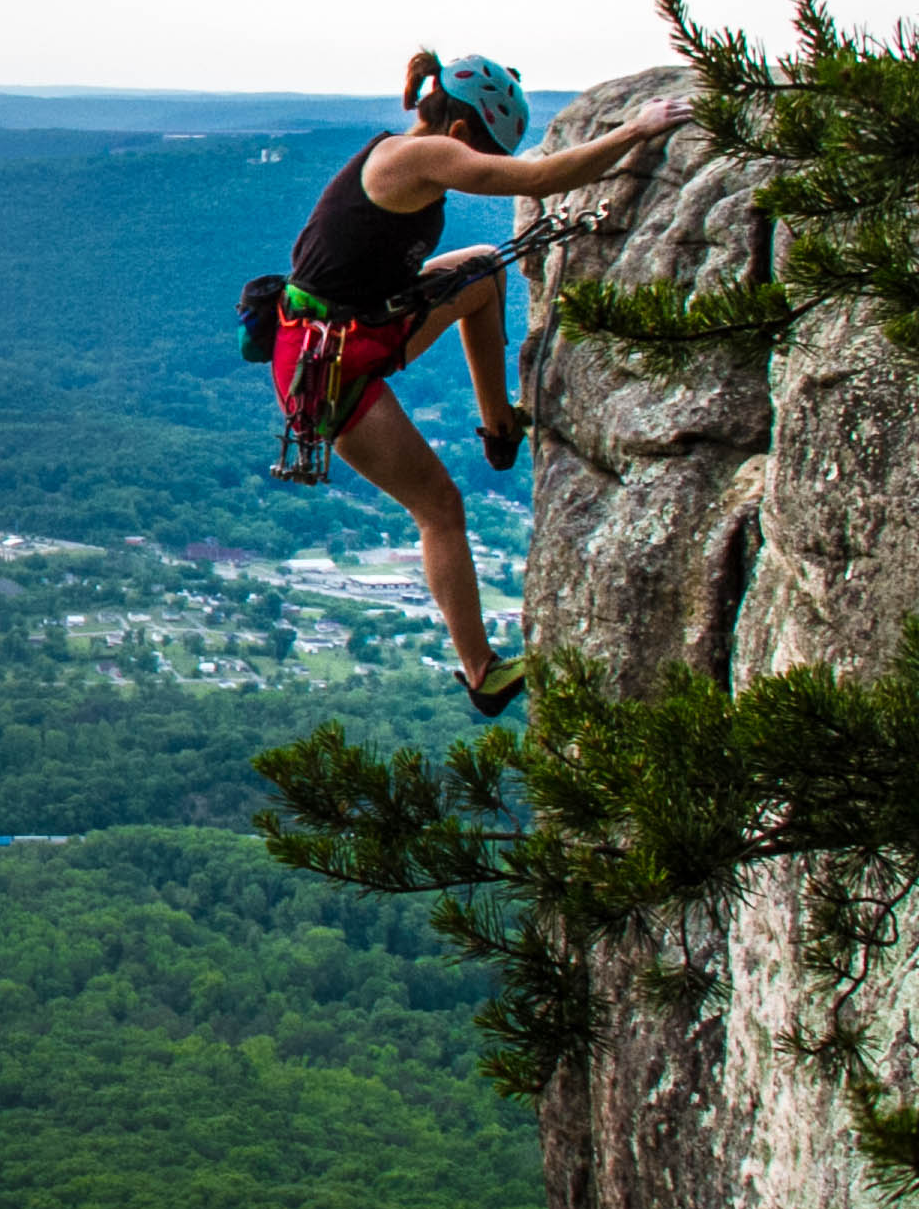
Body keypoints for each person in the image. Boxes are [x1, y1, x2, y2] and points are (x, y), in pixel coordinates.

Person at [276, 51, 688, 716]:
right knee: (440, 507)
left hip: (360, 324)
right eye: (484, 149)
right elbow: (539, 178)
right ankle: (480, 671)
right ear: (464, 132)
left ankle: (500, 428)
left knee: (481, 271)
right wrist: (637, 130)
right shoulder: (419, 158)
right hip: (330, 365)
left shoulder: (398, 151)